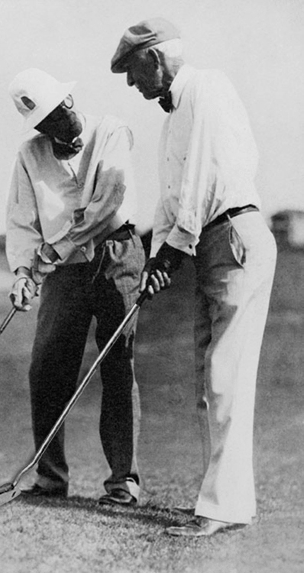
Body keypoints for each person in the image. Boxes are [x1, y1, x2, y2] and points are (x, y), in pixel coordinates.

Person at [110, 18, 277, 535]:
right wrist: (159, 256)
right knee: (211, 379)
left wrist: (170, 256)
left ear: (156, 59)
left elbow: (204, 179)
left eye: (134, 72)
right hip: (211, 244)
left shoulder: (206, 87)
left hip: (233, 237)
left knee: (225, 377)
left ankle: (222, 508)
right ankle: (224, 502)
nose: (133, 85)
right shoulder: (173, 116)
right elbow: (172, 199)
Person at [5, 68, 146, 506]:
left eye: (54, 116)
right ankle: (50, 479)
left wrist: (58, 247)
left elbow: (109, 204)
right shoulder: (30, 152)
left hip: (117, 254)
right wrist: (24, 274)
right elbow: (21, 219)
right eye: (42, 124)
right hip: (62, 272)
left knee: (117, 362)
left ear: (68, 103)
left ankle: (124, 481)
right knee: (47, 367)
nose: (51, 129)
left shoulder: (111, 131)